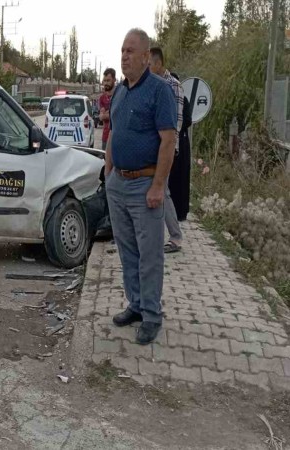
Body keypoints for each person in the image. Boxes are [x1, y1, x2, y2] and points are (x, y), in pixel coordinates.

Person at [105, 29, 178, 345]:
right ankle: (135, 305)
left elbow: (168, 140)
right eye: (122, 50)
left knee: (150, 256)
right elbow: (114, 134)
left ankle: (151, 315)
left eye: (131, 51)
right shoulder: (121, 91)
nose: (124, 56)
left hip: (145, 185)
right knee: (128, 252)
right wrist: (108, 174)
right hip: (118, 185)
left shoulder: (160, 91)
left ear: (147, 57)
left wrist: (158, 186)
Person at [149, 47, 184, 253]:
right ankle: (158, 235)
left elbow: (175, 124)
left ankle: (176, 237)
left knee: (163, 190)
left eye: (150, 65)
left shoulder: (173, 86)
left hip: (167, 147)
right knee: (156, 189)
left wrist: (168, 146)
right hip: (155, 147)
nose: (148, 69)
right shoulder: (153, 85)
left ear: (159, 64)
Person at [168, 71, 193, 222]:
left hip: (181, 143)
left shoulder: (184, 101)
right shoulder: (167, 100)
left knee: (182, 178)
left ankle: (181, 212)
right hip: (171, 142)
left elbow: (187, 120)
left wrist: (175, 127)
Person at [98, 68, 117, 150]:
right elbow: (101, 117)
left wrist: (109, 113)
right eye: (104, 81)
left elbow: (117, 114)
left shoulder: (119, 95)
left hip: (117, 138)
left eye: (108, 80)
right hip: (105, 137)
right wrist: (108, 114)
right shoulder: (102, 98)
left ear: (114, 80)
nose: (106, 83)